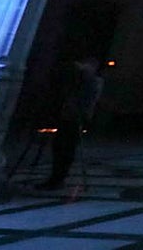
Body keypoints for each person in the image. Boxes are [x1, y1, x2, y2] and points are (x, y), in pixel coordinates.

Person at [38, 55, 103, 190]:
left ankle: (58, 177)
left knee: (66, 147)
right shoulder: (81, 81)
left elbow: (87, 100)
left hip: (76, 117)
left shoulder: (92, 82)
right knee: (60, 146)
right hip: (68, 116)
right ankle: (57, 176)